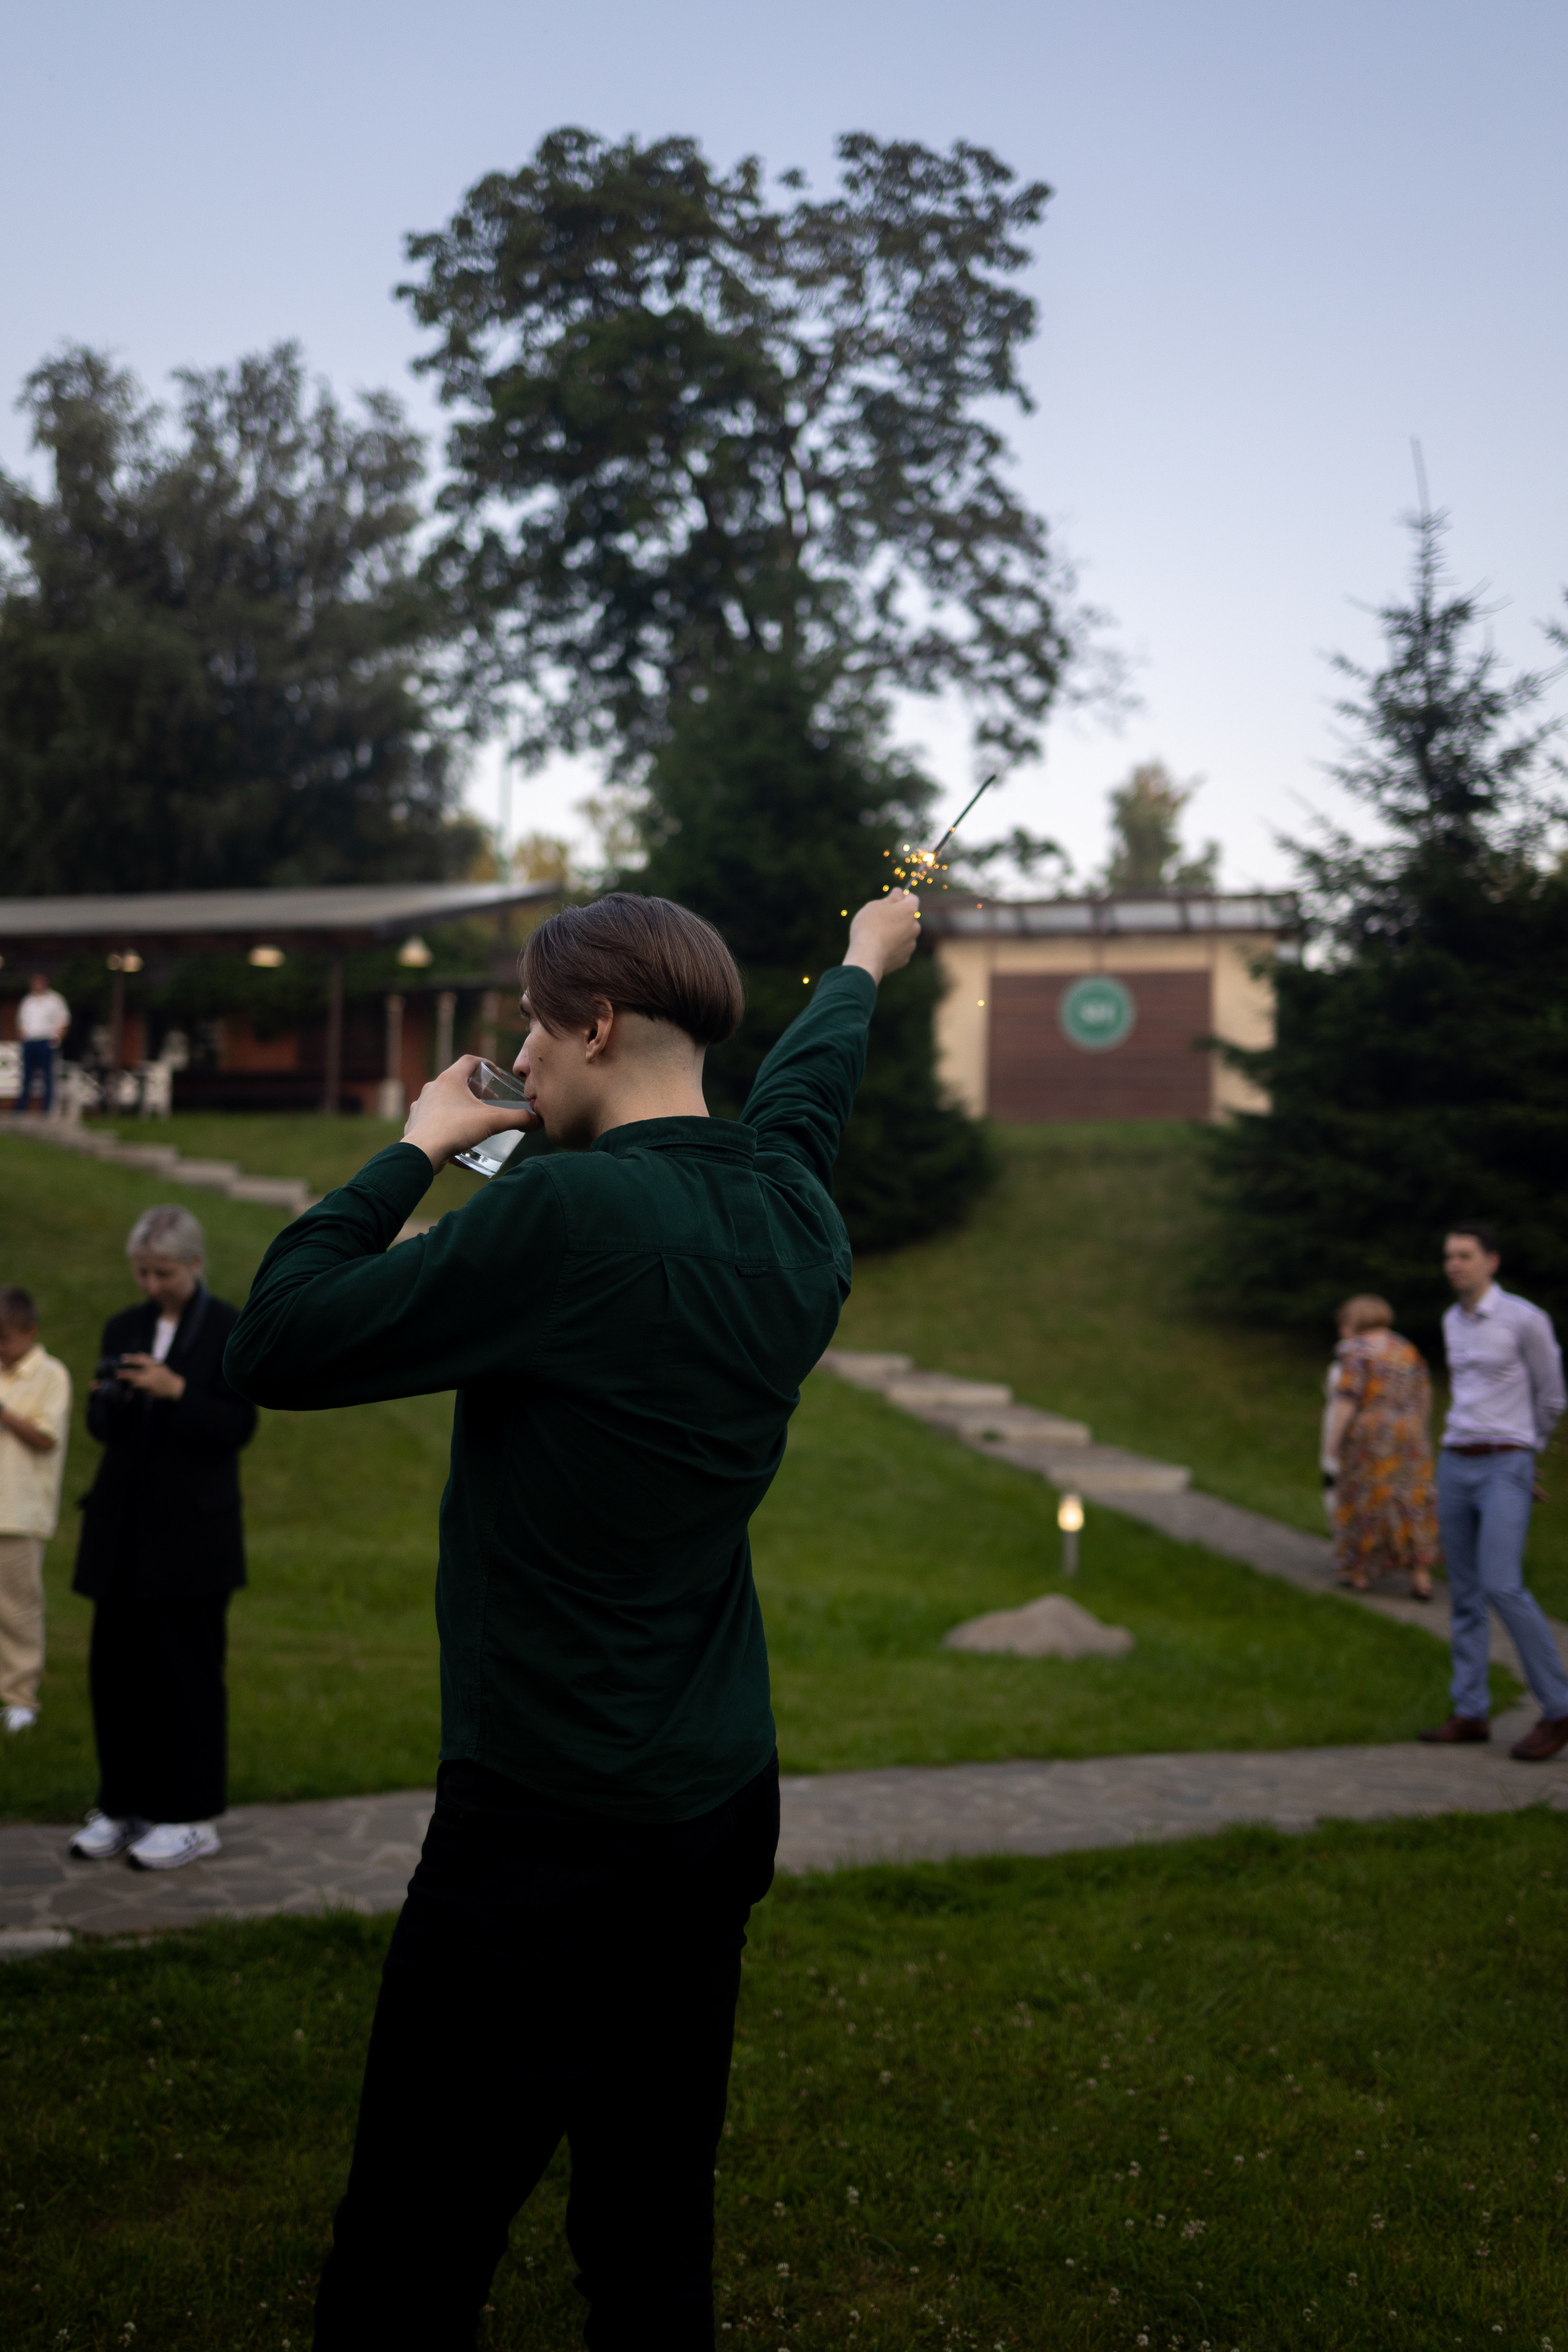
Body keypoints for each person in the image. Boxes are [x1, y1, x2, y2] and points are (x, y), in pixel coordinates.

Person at [225, 886, 924, 2352]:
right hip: (715, 1807)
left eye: (536, 1034)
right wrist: (863, 962)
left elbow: (277, 1336)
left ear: (594, 1024)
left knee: (411, 2249)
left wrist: (421, 1142)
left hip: (538, 1828)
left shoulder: (557, 1213)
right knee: (650, 2224)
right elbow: (802, 1093)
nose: (521, 1063)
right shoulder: (794, 1215)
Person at [69, 1204, 256, 1869]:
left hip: (193, 1542)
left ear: (196, 1264)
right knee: (115, 1677)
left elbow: (238, 1425)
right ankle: (123, 1805)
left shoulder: (229, 1328)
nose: (151, 1284)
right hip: (123, 1535)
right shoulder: (125, 1326)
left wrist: (176, 1389)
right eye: (143, 1272)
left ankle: (190, 1814)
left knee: (186, 1677)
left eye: (164, 1272)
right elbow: (100, 1426)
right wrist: (110, 1398)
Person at [1421, 1222, 1568, 1760]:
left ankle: (1558, 1708)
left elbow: (1553, 1395)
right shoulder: (1451, 1322)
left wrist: (1528, 1454)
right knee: (1463, 1593)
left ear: (1492, 1262)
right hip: (1456, 1461)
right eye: (1448, 1256)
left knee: (1503, 1585)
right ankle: (1470, 1711)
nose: (1454, 1264)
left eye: (1464, 1255)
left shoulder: (1525, 1320)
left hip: (1506, 1461)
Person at [1321, 1294, 1436, 1599]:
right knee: (1410, 1498)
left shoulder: (1356, 1352)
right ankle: (1420, 1575)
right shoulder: (1407, 1350)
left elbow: (1347, 1398)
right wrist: (1417, 1427)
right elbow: (1425, 1393)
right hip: (1409, 1431)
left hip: (1371, 1433)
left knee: (1365, 1497)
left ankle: (1360, 1571)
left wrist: (1334, 1441)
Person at [0, 1286, 72, 1733]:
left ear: (30, 1332)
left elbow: (47, 1438)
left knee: (18, 1608)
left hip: (20, 1515)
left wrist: (4, 1412)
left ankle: (20, 1695)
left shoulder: (51, 1375)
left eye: (5, 1339)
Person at [16, 971, 71, 1115]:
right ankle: (22, 1108)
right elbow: (21, 1022)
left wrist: (56, 1040)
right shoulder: (28, 1001)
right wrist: (24, 1038)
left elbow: (64, 1022)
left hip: (46, 1041)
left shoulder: (55, 1000)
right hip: (30, 1041)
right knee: (27, 1075)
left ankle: (46, 1109)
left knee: (48, 1075)